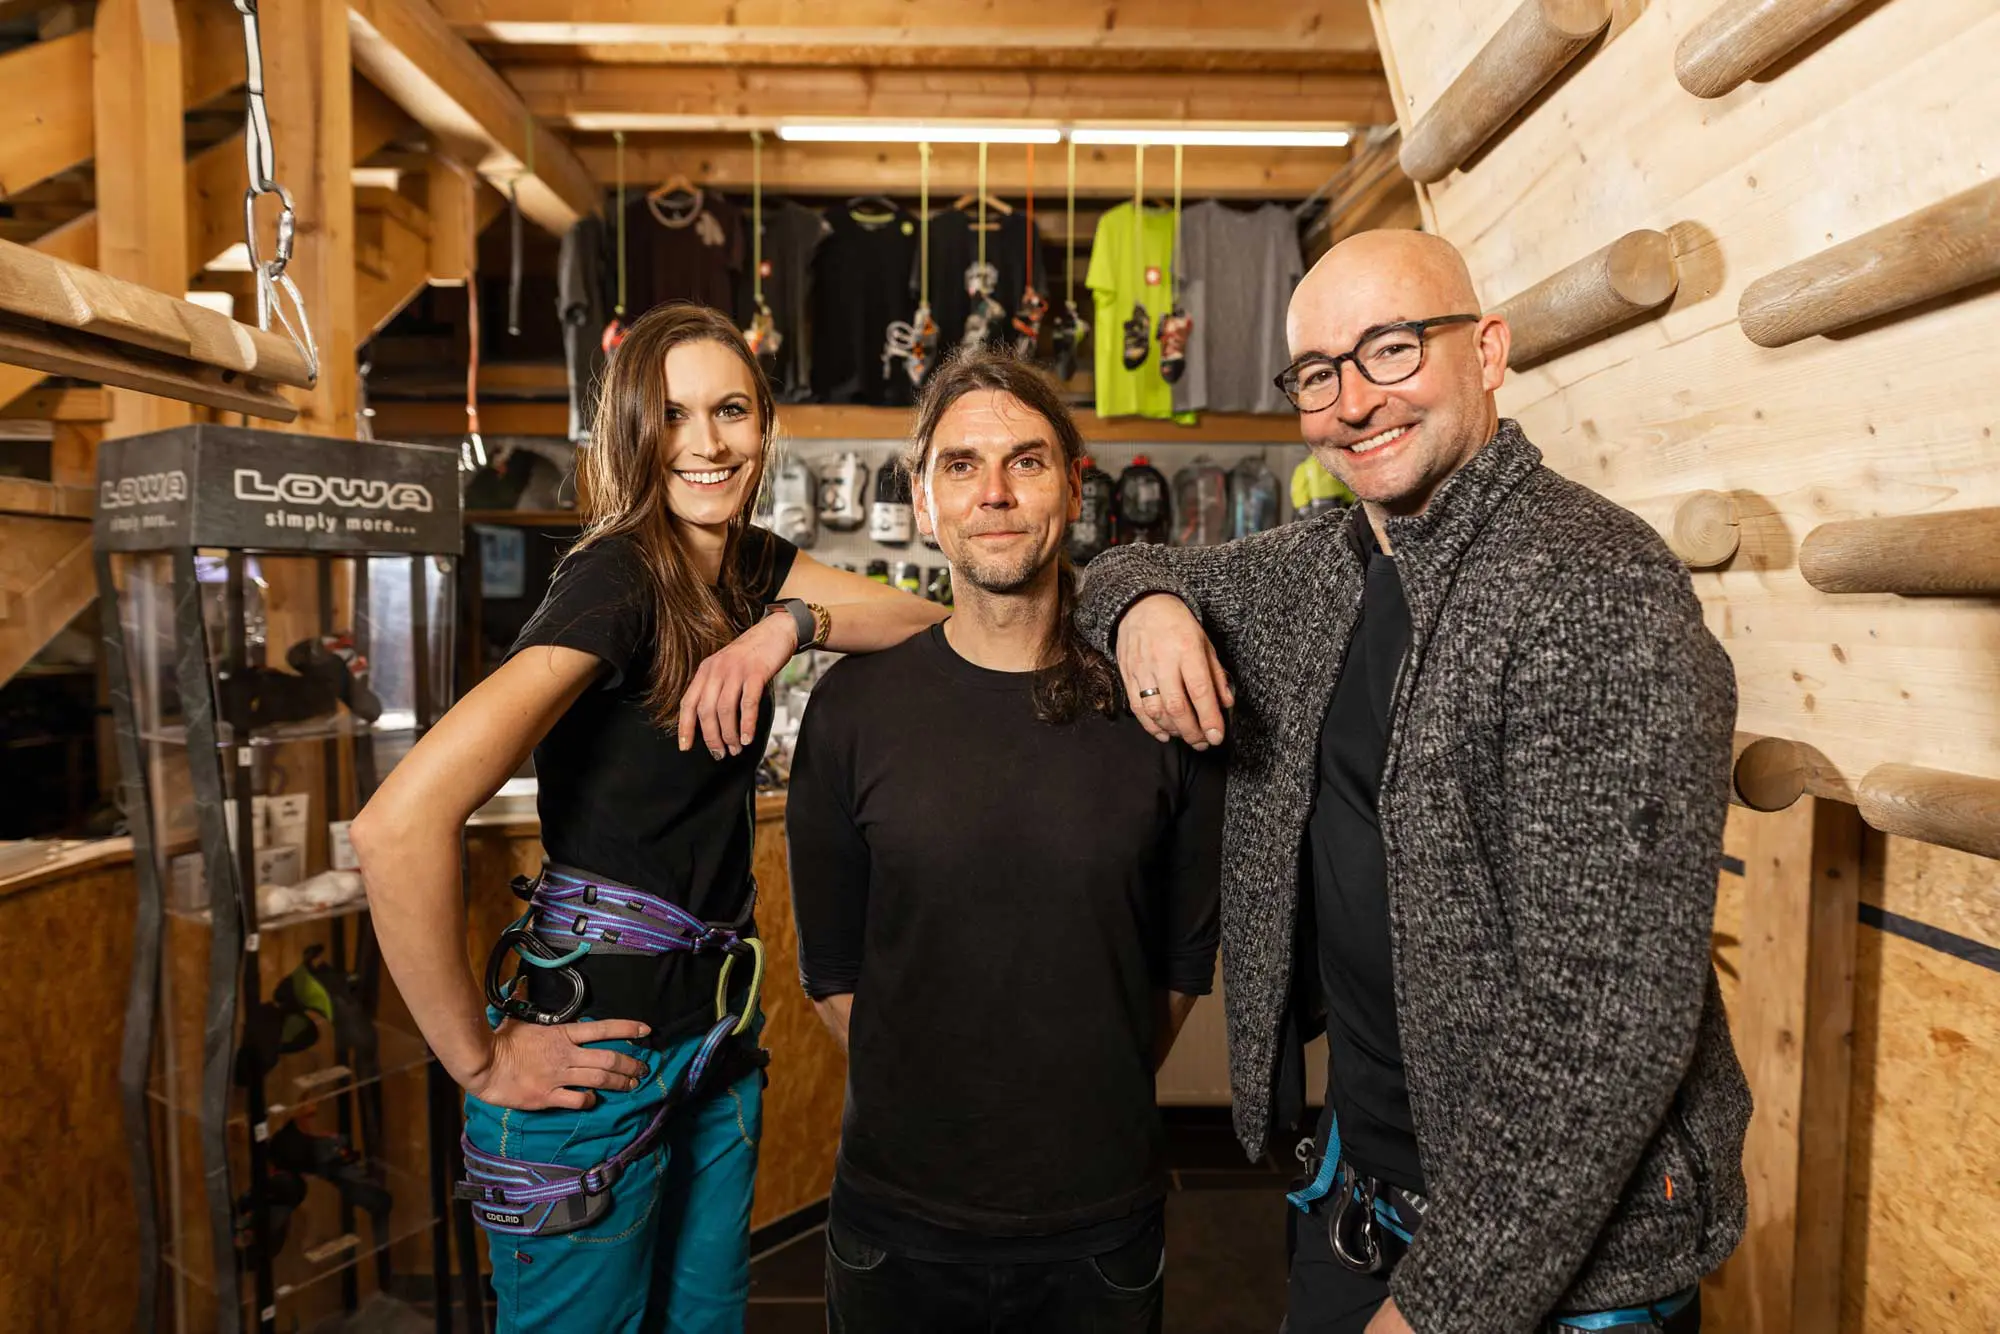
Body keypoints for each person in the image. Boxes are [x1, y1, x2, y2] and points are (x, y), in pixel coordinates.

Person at [1073, 230, 1751, 1334]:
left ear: (1485, 351)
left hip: (1555, 1274)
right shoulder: (1328, 564)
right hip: (1359, 1198)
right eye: (1317, 373)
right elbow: (1118, 563)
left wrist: (1436, 1308)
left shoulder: (1591, 589)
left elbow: (1605, 1021)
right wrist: (1144, 610)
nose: (1352, 399)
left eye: (1390, 348)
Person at [350, 302, 946, 1334]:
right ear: (631, 430)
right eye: (672, 415)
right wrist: (479, 1059)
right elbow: (396, 823)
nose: (706, 442)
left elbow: (925, 621)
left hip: (713, 1044)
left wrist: (788, 629)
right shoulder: (617, 576)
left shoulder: (748, 564)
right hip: (593, 1065)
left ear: (763, 422)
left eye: (729, 410)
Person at [784, 347, 1223, 1334]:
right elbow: (833, 971)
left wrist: (1071, 1089)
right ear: (923, 496)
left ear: (1072, 486)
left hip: (1096, 1224)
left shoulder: (1149, 702)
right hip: (896, 1223)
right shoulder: (852, 710)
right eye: (959, 464)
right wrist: (948, 1105)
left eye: (1025, 462)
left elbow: (1182, 959)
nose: (992, 492)